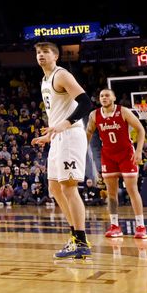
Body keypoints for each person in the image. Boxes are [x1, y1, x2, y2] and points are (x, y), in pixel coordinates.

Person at [31, 42, 93, 259]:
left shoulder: (62, 75)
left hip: (70, 134)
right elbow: (56, 113)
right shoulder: (44, 80)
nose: (41, 55)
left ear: (55, 56)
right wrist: (49, 135)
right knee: (54, 188)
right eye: (38, 52)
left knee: (68, 188)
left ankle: (82, 240)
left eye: (45, 52)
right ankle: (75, 236)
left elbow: (86, 104)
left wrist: (65, 124)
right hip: (58, 137)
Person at [86, 88, 147, 239]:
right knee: (111, 194)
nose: (104, 98)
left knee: (132, 190)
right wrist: (82, 149)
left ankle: (140, 227)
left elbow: (140, 129)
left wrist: (139, 151)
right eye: (101, 96)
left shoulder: (123, 111)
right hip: (108, 156)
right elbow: (88, 133)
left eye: (107, 95)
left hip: (127, 155)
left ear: (113, 97)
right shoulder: (94, 115)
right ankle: (114, 226)